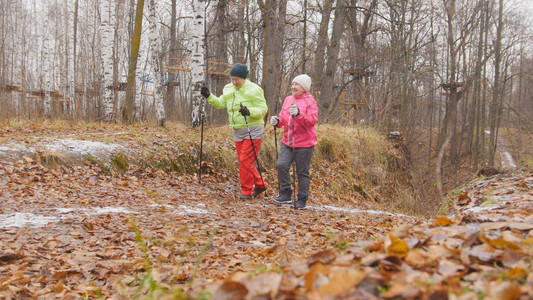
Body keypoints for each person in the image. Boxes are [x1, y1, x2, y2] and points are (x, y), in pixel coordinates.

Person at [200, 63, 268, 200]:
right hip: (237, 130)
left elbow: (263, 109)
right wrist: (209, 96)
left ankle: (246, 192)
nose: (234, 82)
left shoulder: (254, 89)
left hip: (253, 129)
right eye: (232, 79)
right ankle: (260, 184)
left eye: (237, 79)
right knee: (245, 162)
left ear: (244, 78)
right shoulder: (228, 88)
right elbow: (220, 103)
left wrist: (249, 111)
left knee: (244, 161)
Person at [270, 74, 318, 209]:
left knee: (302, 172)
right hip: (288, 141)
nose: (293, 87)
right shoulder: (288, 100)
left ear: (304, 88)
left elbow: (312, 122)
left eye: (297, 84)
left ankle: (302, 199)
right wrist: (277, 122)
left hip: (305, 143)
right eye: (292, 84)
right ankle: (285, 193)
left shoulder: (311, 102)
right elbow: (283, 118)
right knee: (281, 165)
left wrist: (298, 115)